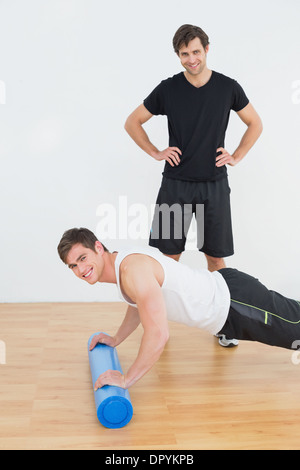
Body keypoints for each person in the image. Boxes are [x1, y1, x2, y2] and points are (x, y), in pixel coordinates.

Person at [57, 228, 300, 391]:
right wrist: (116, 338)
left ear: (98, 248)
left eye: (83, 258)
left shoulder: (133, 270)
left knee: (296, 332)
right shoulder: (124, 266)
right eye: (73, 266)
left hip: (234, 303)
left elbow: (159, 333)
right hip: (227, 300)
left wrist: (126, 379)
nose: (80, 269)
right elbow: (138, 304)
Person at [124, 24, 263, 272]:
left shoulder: (228, 87)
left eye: (196, 52)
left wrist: (237, 155)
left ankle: (218, 311)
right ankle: (162, 312)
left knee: (216, 260)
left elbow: (255, 123)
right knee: (167, 259)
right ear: (178, 55)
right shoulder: (167, 89)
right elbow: (132, 122)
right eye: (185, 54)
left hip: (215, 184)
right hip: (175, 183)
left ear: (207, 49)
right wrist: (156, 152)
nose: (192, 59)